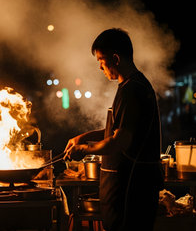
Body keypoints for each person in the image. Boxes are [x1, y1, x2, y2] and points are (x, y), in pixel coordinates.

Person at [63, 28, 164, 230]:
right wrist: (84, 137)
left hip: (131, 188)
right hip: (125, 186)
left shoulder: (133, 90)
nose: (100, 67)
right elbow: (119, 129)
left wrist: (83, 150)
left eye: (101, 60)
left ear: (115, 59)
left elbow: (120, 141)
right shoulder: (129, 86)